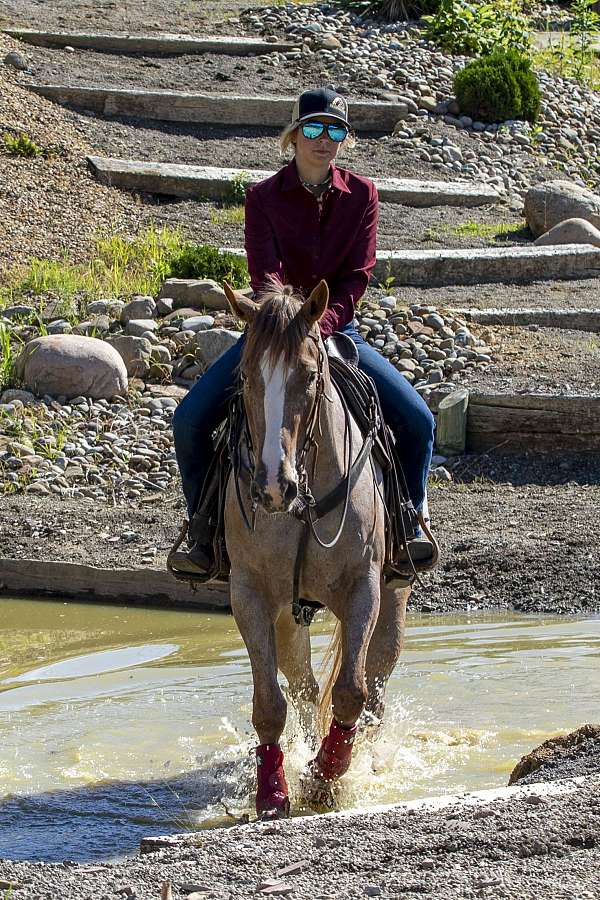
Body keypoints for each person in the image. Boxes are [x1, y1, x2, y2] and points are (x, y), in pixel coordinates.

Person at [171, 87, 435, 575]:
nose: (325, 139)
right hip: (272, 335)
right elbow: (264, 278)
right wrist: (294, 328)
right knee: (188, 421)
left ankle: (406, 525)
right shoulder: (262, 198)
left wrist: (323, 326)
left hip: (334, 331)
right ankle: (204, 531)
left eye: (336, 130)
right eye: (314, 128)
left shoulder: (363, 196)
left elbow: (358, 275)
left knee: (419, 421)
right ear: (293, 135)